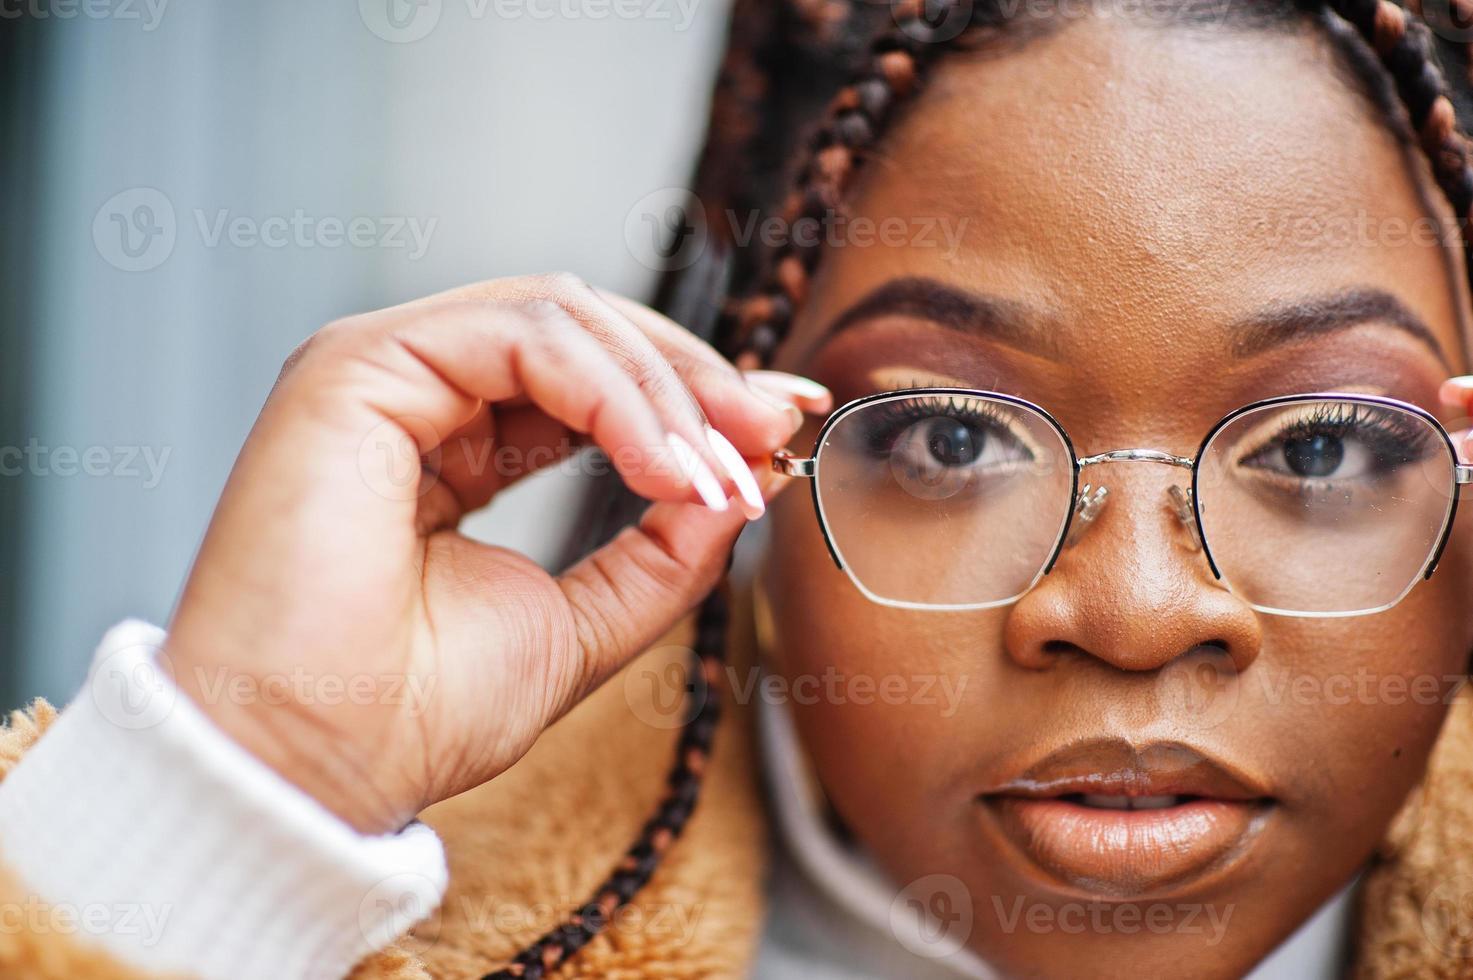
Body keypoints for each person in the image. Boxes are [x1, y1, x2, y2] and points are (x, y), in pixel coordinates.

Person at [4, 0, 1473, 976]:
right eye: (951, 438)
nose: (1139, 614)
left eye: (1322, 445)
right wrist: (239, 803)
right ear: (745, 445)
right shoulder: (367, 916)